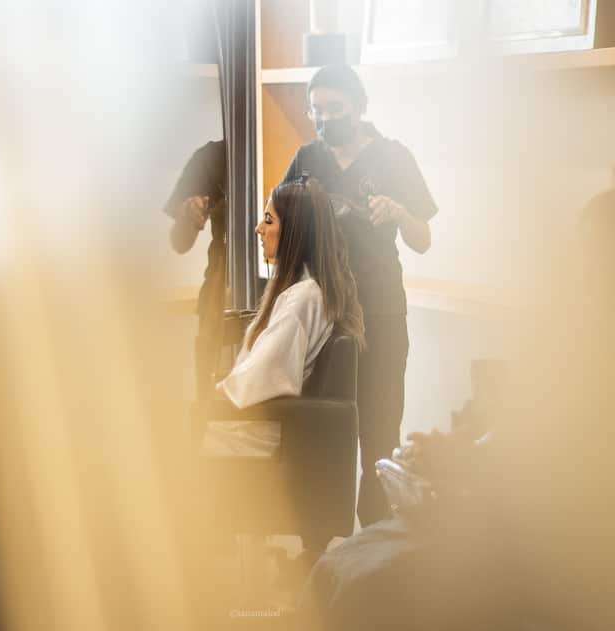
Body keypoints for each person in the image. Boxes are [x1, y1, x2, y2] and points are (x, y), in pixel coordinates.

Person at [294, 189, 615, 631]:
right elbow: (515, 439)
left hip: (555, 545)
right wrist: (456, 450)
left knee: (370, 584)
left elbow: (567, 479)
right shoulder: (576, 351)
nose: (588, 277)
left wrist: (472, 466)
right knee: (345, 562)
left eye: (600, 262)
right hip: (503, 511)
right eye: (589, 260)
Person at [281, 64, 438, 527]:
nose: (324, 119)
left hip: (381, 313)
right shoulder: (307, 158)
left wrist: (400, 213)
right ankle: (321, 541)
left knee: (379, 430)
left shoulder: (393, 157)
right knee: (322, 433)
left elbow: (423, 239)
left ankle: (373, 538)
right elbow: (280, 224)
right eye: (315, 110)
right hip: (323, 316)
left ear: (360, 107)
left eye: (335, 108)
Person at [215, 174, 364, 409]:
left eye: (269, 221)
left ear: (294, 231)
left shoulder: (302, 299)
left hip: (260, 424)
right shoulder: (307, 292)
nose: (259, 228)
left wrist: (205, 396)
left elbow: (255, 381)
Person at [163, 139, 227, 400]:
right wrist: (188, 216)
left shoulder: (302, 148)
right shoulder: (212, 157)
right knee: (209, 400)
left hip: (283, 297)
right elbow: (180, 243)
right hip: (219, 301)